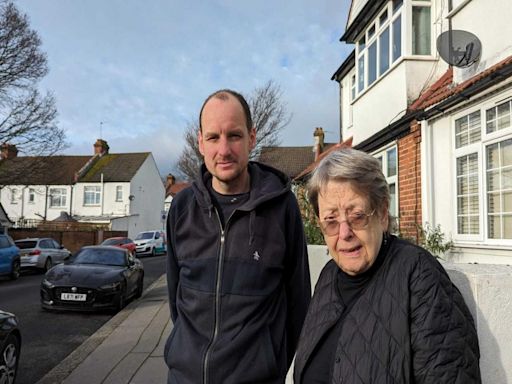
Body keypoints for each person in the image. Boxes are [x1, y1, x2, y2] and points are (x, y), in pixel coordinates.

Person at [293, 148, 481, 384]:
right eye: (331, 220)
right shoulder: (329, 275)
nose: (344, 233)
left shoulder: (418, 276)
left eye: (357, 216)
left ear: (382, 214)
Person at [165, 89, 311, 384]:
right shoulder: (182, 209)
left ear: (252, 138)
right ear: (200, 142)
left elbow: (298, 303)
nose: (224, 150)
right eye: (213, 137)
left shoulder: (282, 208)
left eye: (234, 135)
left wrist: (273, 365)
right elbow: (175, 298)